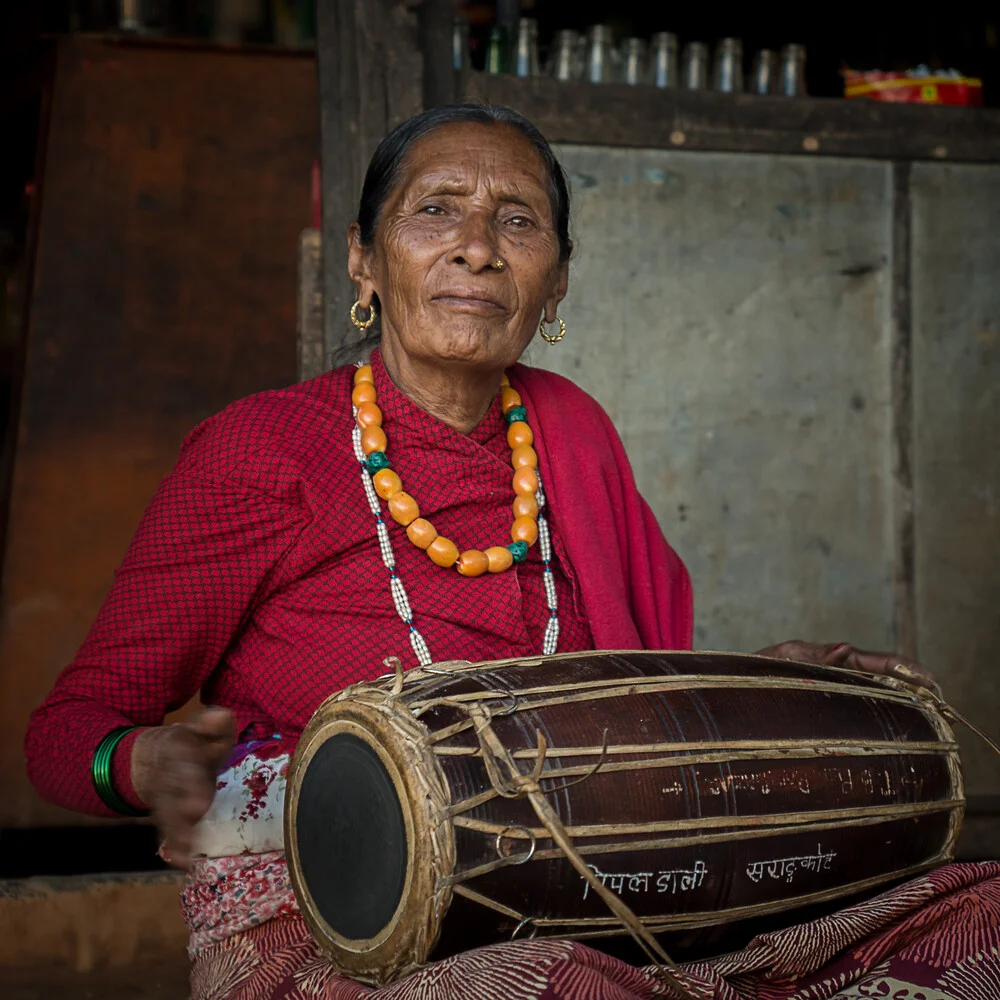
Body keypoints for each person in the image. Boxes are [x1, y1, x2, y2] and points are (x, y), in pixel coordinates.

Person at [25, 105, 998, 1000]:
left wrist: (770, 692)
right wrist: (146, 762)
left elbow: (636, 709)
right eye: (436, 210)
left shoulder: (571, 430)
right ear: (363, 260)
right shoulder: (261, 450)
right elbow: (64, 734)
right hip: (324, 917)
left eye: (518, 220)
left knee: (981, 909)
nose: (478, 249)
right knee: (550, 984)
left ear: (558, 277)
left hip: (596, 889)